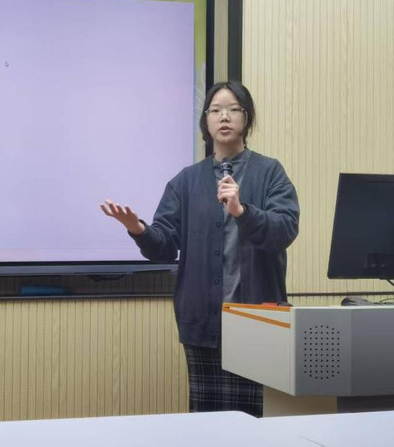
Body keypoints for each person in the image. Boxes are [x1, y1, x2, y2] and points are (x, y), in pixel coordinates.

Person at [100, 80, 299, 417]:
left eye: (233, 109)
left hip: (259, 322)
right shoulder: (186, 181)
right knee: (209, 424)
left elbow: (284, 230)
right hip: (203, 323)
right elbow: (164, 246)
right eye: (215, 110)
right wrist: (138, 229)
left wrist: (242, 211)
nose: (225, 117)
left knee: (258, 422)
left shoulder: (270, 172)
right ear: (206, 121)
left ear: (247, 118)